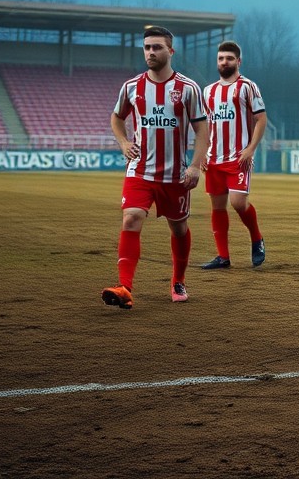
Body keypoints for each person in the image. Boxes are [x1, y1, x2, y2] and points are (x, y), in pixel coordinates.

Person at [101, 26, 208, 309]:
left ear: (170, 51)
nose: (151, 52)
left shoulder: (188, 88)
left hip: (175, 175)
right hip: (139, 171)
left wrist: (196, 166)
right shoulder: (131, 87)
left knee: (179, 228)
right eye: (147, 47)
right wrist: (124, 142)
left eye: (157, 47)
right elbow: (116, 117)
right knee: (131, 218)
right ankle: (124, 287)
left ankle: (178, 280)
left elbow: (202, 130)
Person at [199, 40, 268, 270]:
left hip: (239, 158)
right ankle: (223, 256)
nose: (224, 62)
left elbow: (261, 120)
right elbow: (206, 126)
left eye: (229, 58)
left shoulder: (248, 87)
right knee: (217, 207)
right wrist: (202, 153)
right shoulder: (208, 91)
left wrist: (250, 149)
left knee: (238, 203)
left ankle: (257, 239)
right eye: (220, 58)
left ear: (238, 61)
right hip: (213, 159)